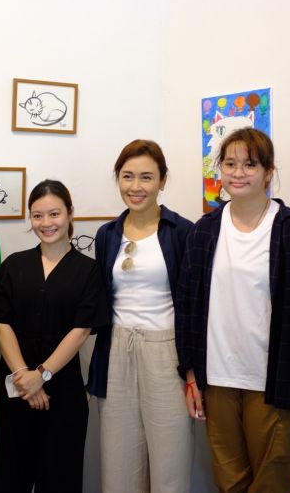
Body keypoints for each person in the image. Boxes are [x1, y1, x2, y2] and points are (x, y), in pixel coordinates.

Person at [175, 127, 290, 492]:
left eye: (250, 164)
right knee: (229, 483)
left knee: (273, 481)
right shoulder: (204, 231)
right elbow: (187, 307)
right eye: (230, 164)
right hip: (218, 381)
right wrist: (191, 374)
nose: (238, 173)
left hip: (276, 381)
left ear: (269, 172)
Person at [87, 139, 194, 493]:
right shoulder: (107, 234)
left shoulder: (183, 232)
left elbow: (194, 304)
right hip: (116, 351)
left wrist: (193, 369)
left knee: (171, 464)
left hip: (167, 353)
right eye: (127, 176)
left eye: (146, 177)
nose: (136, 186)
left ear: (163, 180)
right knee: (118, 465)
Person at [0, 179, 107, 493]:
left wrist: (41, 375)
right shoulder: (14, 265)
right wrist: (23, 376)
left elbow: (81, 331)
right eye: (38, 215)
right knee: (10, 475)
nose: (46, 223)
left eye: (54, 214)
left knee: (60, 478)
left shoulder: (89, 271)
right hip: (15, 387)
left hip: (64, 389)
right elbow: (1, 323)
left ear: (70, 213)